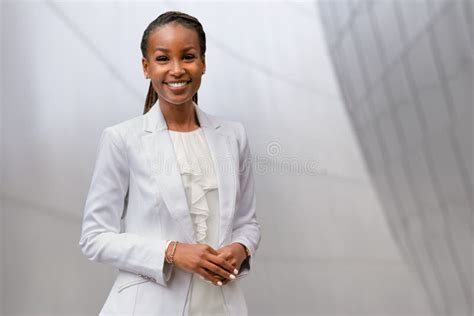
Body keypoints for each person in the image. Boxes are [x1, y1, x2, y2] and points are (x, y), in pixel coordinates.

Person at [78, 10, 261, 316]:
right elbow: (94, 237)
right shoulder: (122, 139)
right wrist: (173, 252)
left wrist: (240, 248)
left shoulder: (233, 136)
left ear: (203, 62)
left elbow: (247, 223)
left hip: (221, 305)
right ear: (146, 67)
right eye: (163, 59)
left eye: (188, 56)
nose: (177, 69)